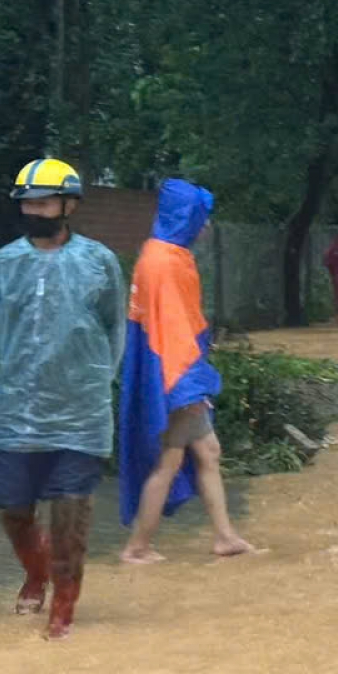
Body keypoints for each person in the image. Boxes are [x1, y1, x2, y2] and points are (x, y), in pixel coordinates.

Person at [0, 158, 125, 640]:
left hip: (82, 412)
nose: (33, 210)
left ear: (69, 205)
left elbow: (114, 328)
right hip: (19, 410)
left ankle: (63, 606)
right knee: (12, 507)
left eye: (42, 202)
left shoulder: (99, 261)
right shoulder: (4, 263)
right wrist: (29, 372)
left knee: (70, 516)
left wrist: (94, 380)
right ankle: (36, 572)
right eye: (27, 202)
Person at [119, 178, 254, 567]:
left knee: (206, 452)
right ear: (186, 216)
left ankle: (225, 536)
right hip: (177, 379)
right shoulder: (163, 262)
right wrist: (189, 390)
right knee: (171, 460)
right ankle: (137, 547)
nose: (206, 226)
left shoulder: (163, 253)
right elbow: (171, 334)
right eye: (201, 216)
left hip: (175, 375)